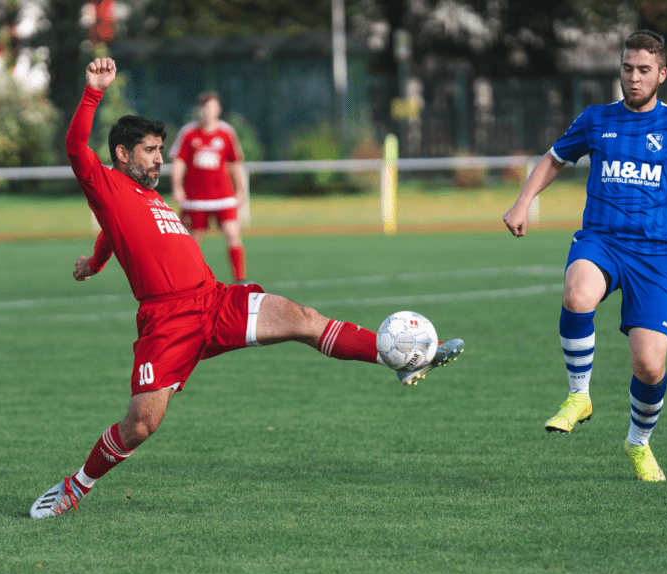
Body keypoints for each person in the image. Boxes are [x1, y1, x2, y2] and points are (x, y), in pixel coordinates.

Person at [30, 58, 464, 518]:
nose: (161, 158)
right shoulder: (106, 183)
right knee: (140, 425)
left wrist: (93, 262)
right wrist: (94, 91)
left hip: (216, 300)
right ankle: (75, 487)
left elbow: (111, 234)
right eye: (151, 150)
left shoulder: (149, 194)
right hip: (169, 320)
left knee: (304, 318)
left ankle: (397, 356)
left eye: (161, 149)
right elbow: (76, 146)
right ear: (122, 154)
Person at [502, 30, 667, 482]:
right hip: (601, 240)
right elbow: (552, 159)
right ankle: (578, 395)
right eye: (627, 69)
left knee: (649, 366)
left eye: (644, 70)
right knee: (576, 292)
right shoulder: (595, 118)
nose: (634, 78)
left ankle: (638, 443)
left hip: (656, 255)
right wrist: (522, 201)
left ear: (661, 74)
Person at [169, 91, 248, 283]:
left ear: (218, 109)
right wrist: (178, 187)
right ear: (199, 110)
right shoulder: (188, 133)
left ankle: (239, 279)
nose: (208, 111)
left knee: (232, 234)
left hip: (223, 196)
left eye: (212, 107)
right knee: (193, 241)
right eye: (205, 107)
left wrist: (241, 189)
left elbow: (235, 163)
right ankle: (189, 280)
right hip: (196, 199)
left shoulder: (226, 132)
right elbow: (179, 163)